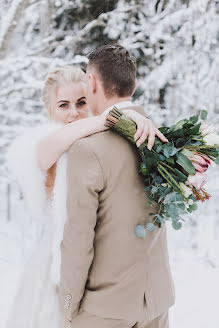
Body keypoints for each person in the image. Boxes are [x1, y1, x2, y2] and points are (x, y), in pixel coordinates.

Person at [5, 64, 165, 328]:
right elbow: (52, 149)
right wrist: (117, 117)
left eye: (81, 102)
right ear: (50, 110)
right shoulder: (45, 145)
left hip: (108, 273)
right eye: (63, 105)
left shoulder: (103, 143)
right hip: (61, 268)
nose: (74, 113)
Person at [59, 44, 176, 328]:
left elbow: (79, 237)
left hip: (104, 309)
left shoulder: (87, 150)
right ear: (134, 85)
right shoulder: (167, 143)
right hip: (155, 302)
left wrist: (68, 303)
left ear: (92, 83)